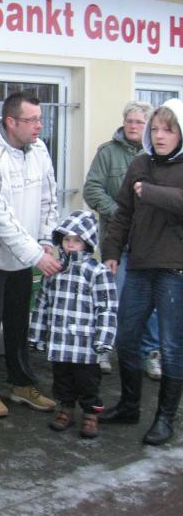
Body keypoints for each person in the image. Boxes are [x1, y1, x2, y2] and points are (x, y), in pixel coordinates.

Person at [0, 91, 61, 418]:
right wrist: (37, 255)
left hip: (24, 256)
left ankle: (22, 384)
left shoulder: (39, 150)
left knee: (19, 323)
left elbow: (49, 197)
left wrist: (45, 239)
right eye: (31, 120)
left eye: (40, 119)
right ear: (10, 121)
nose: (39, 125)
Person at [100, 98, 183, 445]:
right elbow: (123, 213)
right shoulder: (140, 164)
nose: (160, 135)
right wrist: (111, 252)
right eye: (156, 129)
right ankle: (129, 406)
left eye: (169, 129)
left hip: (174, 272)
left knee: (171, 347)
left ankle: (165, 418)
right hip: (138, 266)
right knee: (126, 337)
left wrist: (150, 192)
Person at [82, 100, 161, 379]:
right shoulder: (108, 152)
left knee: (152, 303)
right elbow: (92, 189)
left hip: (150, 245)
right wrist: (120, 213)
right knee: (110, 297)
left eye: (139, 122)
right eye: (129, 121)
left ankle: (150, 353)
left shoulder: (158, 156)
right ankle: (104, 348)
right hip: (117, 242)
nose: (133, 126)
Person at [28, 210, 118, 439]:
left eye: (76, 240)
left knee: (89, 384)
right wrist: (37, 334)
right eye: (67, 239)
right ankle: (65, 409)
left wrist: (104, 339)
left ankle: (92, 414)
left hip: (86, 344)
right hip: (60, 340)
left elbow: (107, 308)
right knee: (62, 380)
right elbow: (42, 303)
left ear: (87, 243)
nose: (70, 244)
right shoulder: (54, 271)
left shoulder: (97, 272)